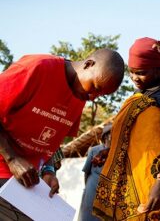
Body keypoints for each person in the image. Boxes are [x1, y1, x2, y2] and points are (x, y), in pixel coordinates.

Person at [0, 49, 125, 220]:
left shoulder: (80, 96)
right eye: (95, 87)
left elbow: (50, 143)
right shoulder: (37, 68)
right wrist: (12, 159)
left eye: (100, 95)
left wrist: (49, 171)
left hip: (27, 185)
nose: (93, 97)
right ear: (88, 65)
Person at [92, 37, 160, 221]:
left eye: (141, 72)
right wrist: (109, 151)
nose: (135, 78)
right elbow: (138, 137)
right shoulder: (142, 93)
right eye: (132, 72)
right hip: (130, 181)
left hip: (152, 181)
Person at [77, 123, 112, 221]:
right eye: (110, 133)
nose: (112, 136)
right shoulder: (94, 150)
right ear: (105, 136)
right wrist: (87, 187)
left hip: (107, 189)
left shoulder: (116, 153)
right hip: (92, 185)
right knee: (87, 213)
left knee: (102, 216)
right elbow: (86, 171)